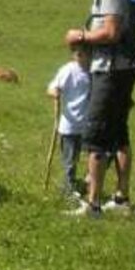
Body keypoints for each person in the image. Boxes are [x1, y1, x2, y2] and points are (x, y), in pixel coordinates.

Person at [64, 0, 135, 218]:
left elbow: (111, 32)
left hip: (110, 69)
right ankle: (121, 200)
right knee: (119, 133)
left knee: (95, 134)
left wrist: (80, 36)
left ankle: (93, 204)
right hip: (120, 67)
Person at [47, 43, 92, 201]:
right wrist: (55, 92)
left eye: (84, 53)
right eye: (77, 53)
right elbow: (53, 87)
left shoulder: (94, 71)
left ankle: (89, 185)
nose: (80, 56)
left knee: (92, 157)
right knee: (70, 160)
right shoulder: (68, 70)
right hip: (70, 124)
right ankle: (68, 187)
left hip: (88, 124)